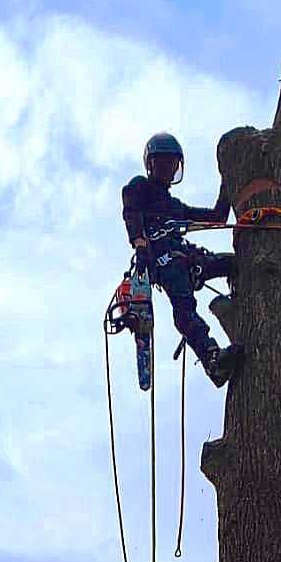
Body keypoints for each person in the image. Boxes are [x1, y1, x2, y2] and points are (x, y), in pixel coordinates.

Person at [121, 132, 244, 387]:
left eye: (171, 164)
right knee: (184, 307)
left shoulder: (175, 206)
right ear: (151, 165)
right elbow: (131, 213)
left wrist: (229, 183)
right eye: (163, 164)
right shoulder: (139, 188)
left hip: (188, 258)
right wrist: (140, 244)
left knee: (233, 263)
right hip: (164, 259)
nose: (168, 169)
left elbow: (217, 217)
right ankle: (212, 360)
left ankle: (243, 301)